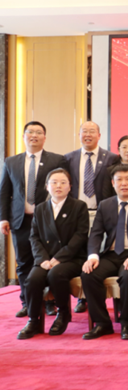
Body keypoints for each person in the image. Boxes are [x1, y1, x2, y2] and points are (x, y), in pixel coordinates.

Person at [81, 165, 128, 340]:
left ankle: (126, 324)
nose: (124, 183)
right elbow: (96, 233)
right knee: (88, 274)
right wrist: (93, 256)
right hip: (111, 254)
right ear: (113, 183)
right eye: (119, 179)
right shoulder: (105, 205)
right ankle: (102, 323)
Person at [1, 121, 67, 318]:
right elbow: (4, 192)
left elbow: (63, 189)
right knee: (23, 263)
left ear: (44, 138)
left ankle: (49, 302)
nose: (34, 135)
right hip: (20, 220)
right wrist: (3, 218)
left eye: (39, 132)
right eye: (30, 132)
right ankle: (27, 302)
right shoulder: (11, 162)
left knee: (47, 261)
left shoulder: (56, 160)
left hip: (47, 221)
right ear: (24, 136)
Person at [17, 169, 88, 339]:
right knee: (33, 279)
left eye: (63, 182)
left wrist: (59, 258)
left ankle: (63, 313)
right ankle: (33, 319)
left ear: (70, 186)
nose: (58, 186)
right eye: (54, 182)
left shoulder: (79, 206)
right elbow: (34, 237)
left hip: (71, 258)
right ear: (47, 186)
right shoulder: (41, 208)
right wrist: (42, 259)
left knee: (56, 274)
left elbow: (80, 236)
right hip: (45, 258)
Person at [64, 121, 120, 314]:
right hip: (77, 213)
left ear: (99, 135)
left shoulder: (111, 158)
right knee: (80, 252)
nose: (87, 135)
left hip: (102, 212)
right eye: (84, 131)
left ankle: (102, 294)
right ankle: (83, 297)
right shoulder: (69, 158)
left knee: (100, 252)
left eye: (91, 131)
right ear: (79, 135)